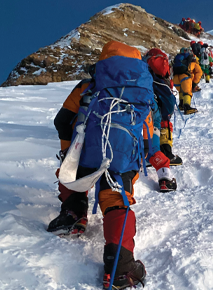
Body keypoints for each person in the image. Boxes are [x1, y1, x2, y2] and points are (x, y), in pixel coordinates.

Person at [47, 41, 164, 289]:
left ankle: (73, 214)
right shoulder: (143, 92)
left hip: (88, 151)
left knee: (73, 175)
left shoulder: (89, 85)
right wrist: (142, 157)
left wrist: (68, 150)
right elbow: (150, 135)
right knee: (115, 199)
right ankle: (120, 269)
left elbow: (63, 119)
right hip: (124, 155)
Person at [173, 48, 203, 114]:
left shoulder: (178, 60)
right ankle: (187, 108)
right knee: (187, 92)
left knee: (181, 90)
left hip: (175, 77)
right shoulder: (193, 62)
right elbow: (199, 72)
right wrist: (194, 83)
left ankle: (181, 105)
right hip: (185, 77)